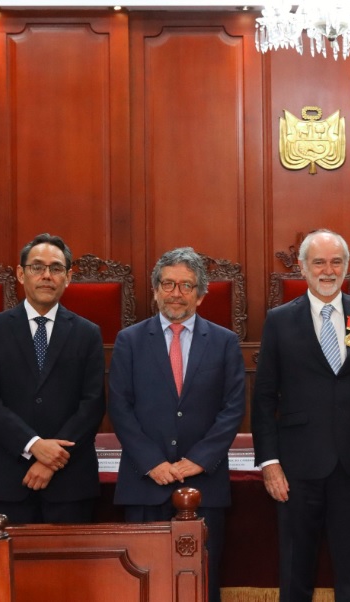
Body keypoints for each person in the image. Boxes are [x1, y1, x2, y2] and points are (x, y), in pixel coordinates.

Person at [251, 229, 350, 602]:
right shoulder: (280, 320)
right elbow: (265, 396)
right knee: (295, 569)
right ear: (302, 268)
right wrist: (269, 461)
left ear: (347, 266)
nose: (328, 270)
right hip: (297, 467)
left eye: (336, 261)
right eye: (318, 262)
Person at [108, 247, 245, 602]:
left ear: (200, 295)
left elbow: (232, 408)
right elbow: (119, 407)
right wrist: (151, 462)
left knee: (201, 579)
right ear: (155, 291)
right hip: (145, 482)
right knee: (145, 581)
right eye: (168, 284)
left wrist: (199, 460)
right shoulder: (130, 340)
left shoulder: (225, 341)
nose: (176, 293)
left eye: (186, 285)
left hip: (204, 483)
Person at [0, 233, 105, 523]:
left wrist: (52, 458)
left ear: (68, 277)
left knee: (69, 568)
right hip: (8, 475)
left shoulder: (88, 333)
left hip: (70, 478)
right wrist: (33, 445)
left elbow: (93, 403)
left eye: (56, 268)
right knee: (12, 566)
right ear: (21, 274)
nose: (47, 275)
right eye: (37, 267)